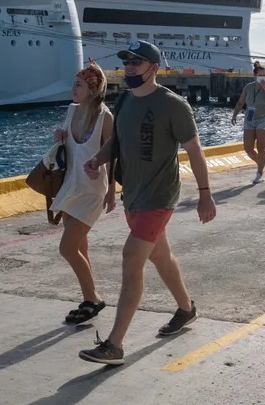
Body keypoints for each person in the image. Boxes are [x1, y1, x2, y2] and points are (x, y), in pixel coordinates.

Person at [78, 41, 216, 366]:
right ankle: (186, 308)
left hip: (159, 196)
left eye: (136, 63)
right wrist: (98, 159)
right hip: (134, 195)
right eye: (126, 62)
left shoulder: (174, 105)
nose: (129, 68)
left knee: (131, 258)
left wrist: (205, 193)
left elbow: (195, 150)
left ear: (153, 68)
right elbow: (118, 139)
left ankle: (114, 344)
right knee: (162, 257)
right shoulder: (125, 100)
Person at [51, 60, 116, 325]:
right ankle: (88, 299)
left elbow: (113, 153)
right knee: (79, 247)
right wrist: (59, 136)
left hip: (91, 190)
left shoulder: (105, 116)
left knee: (67, 248)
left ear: (92, 88)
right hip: (70, 184)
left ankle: (94, 298)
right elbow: (70, 148)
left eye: (78, 85)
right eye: (74, 84)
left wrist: (112, 190)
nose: (73, 89)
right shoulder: (71, 110)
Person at [231, 61, 265, 184]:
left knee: (260, 147)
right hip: (250, 118)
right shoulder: (248, 87)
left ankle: (259, 173)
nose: (262, 78)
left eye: (264, 75)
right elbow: (241, 102)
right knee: (248, 148)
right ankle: (261, 162)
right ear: (255, 76)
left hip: (264, 119)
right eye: (260, 75)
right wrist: (235, 114)